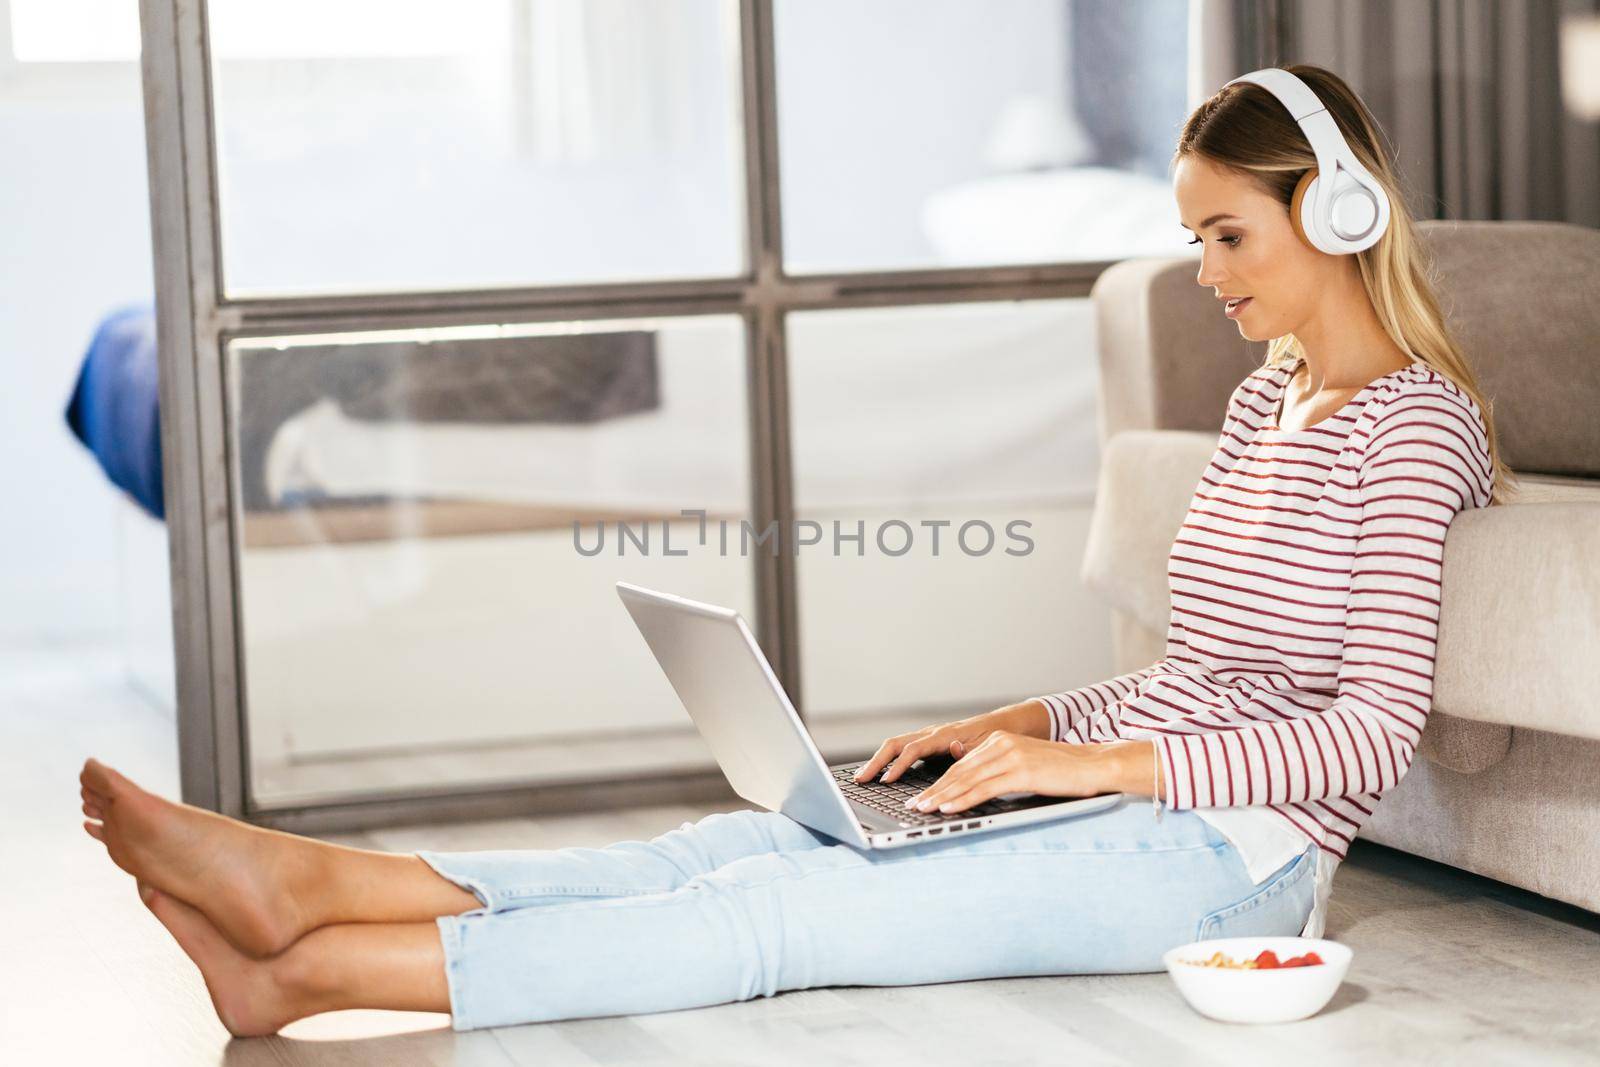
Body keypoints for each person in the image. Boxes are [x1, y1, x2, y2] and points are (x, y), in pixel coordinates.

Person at [80, 63, 1510, 1037]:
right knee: (743, 840)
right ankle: (310, 883)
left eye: (1225, 236)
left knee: (782, 915)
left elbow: (1370, 730)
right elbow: (1205, 679)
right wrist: (1019, 728)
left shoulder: (1415, 428)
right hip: (1145, 802)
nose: (1202, 275)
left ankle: (318, 967)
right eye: (1193, 238)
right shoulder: (1268, 403)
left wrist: (1098, 767)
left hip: (1233, 862)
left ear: (1336, 213)